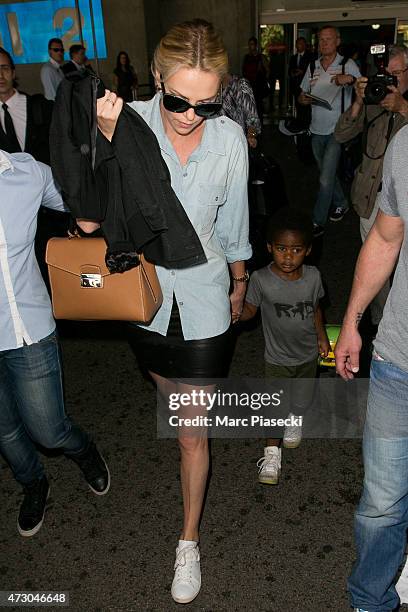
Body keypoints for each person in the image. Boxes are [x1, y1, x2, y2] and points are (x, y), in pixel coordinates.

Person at [84, 18, 251, 604]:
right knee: (171, 399)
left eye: (206, 103)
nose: (188, 115)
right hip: (144, 297)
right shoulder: (121, 121)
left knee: (189, 431)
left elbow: (233, 226)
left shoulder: (229, 138)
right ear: (156, 77)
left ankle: (188, 541)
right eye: (178, 98)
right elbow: (88, 223)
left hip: (206, 299)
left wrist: (239, 284)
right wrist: (105, 145)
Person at [0, 149, 110, 538]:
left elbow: (82, 202)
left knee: (49, 430)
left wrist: (84, 225)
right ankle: (33, 483)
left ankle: (84, 450)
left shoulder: (26, 172)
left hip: (27, 325)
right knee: (6, 432)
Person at [335, 124, 408, 612]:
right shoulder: (406, 144)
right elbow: (385, 237)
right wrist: (352, 319)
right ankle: (370, 600)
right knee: (381, 502)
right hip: (398, 360)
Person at [240, 208, 330, 484]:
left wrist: (322, 336)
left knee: (301, 401)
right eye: (281, 248)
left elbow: (315, 308)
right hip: (277, 359)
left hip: (307, 356)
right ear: (269, 248)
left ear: (308, 250)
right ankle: (271, 455)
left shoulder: (313, 277)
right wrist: (230, 311)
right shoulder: (260, 279)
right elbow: (250, 312)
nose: (288, 256)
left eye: (296, 250)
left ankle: (295, 417)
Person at [334, 45, 408, 327]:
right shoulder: (372, 100)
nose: (389, 81)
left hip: (404, 199)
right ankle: (382, 322)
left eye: (396, 74)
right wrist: (358, 102)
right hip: (372, 197)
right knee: (376, 261)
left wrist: (403, 107)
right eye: (384, 74)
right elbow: (341, 135)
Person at [0, 46, 69, 286]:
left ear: (14, 72)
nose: (0, 75)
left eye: (4, 68)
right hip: (10, 222)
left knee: (60, 282)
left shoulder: (40, 107)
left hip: (51, 216)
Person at [299, 25, 361, 237]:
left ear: (337, 41)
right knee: (328, 172)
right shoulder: (312, 66)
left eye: (328, 39)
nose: (324, 43)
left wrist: (350, 80)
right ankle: (342, 202)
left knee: (325, 178)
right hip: (316, 129)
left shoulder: (347, 64)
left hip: (337, 130)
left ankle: (317, 221)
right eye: (321, 40)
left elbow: (363, 87)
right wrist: (303, 99)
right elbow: (302, 94)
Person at [219, 72, 261, 147]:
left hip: (235, 144)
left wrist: (251, 136)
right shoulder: (207, 84)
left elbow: (252, 119)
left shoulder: (241, 84)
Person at [242, 36, 269, 125]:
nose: (250, 47)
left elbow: (268, 71)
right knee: (249, 107)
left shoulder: (261, 57)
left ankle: (259, 126)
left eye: (252, 44)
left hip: (258, 87)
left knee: (258, 108)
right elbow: (244, 72)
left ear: (256, 45)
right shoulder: (246, 57)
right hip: (249, 86)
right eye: (249, 45)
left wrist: (263, 78)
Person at [288, 36, 312, 126]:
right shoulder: (293, 57)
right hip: (296, 86)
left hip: (306, 87)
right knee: (298, 106)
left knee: (306, 107)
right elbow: (290, 70)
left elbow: (312, 71)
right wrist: (293, 73)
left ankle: (306, 125)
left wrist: (302, 72)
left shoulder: (310, 56)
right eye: (297, 44)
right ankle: (300, 124)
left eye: (301, 44)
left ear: (305, 45)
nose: (299, 46)